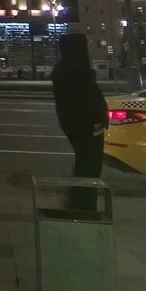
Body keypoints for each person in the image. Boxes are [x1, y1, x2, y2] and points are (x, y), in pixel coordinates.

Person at [50, 33, 109, 211]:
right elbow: (91, 101)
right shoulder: (79, 72)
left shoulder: (62, 69)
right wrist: (101, 119)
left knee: (83, 165)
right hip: (89, 127)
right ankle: (83, 207)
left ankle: (78, 204)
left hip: (74, 126)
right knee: (90, 167)